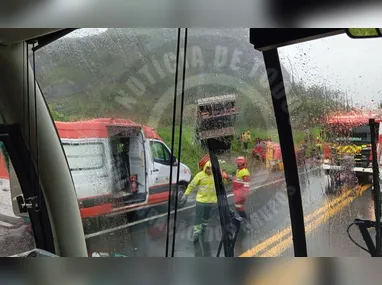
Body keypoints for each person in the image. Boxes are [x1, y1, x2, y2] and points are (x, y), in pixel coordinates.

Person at [182, 161, 217, 243]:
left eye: (211, 168)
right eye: (208, 168)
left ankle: (204, 227)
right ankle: (196, 232)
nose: (209, 170)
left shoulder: (215, 176)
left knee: (206, 216)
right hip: (200, 200)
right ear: (205, 167)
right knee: (198, 216)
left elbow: (221, 184)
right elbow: (191, 185)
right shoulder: (200, 175)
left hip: (210, 200)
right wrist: (186, 194)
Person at [232, 156, 251, 222]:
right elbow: (236, 179)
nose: (238, 165)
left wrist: (245, 193)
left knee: (238, 206)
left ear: (244, 164)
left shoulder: (245, 172)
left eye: (240, 164)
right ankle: (243, 217)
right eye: (238, 164)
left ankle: (245, 218)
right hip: (238, 191)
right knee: (238, 206)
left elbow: (246, 184)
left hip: (241, 193)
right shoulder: (238, 170)